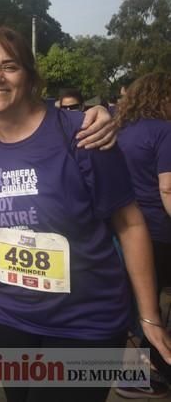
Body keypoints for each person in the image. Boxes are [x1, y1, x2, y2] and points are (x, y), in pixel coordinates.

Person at [0, 27, 171, 402]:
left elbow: (130, 222)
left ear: (28, 75)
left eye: (9, 66)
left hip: (85, 325)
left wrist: (149, 315)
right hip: (9, 319)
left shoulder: (84, 135)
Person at [115, 72, 171, 397]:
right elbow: (167, 188)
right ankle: (151, 371)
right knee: (154, 306)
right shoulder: (165, 131)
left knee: (136, 303)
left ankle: (136, 371)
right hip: (157, 231)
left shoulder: (121, 130)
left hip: (121, 231)